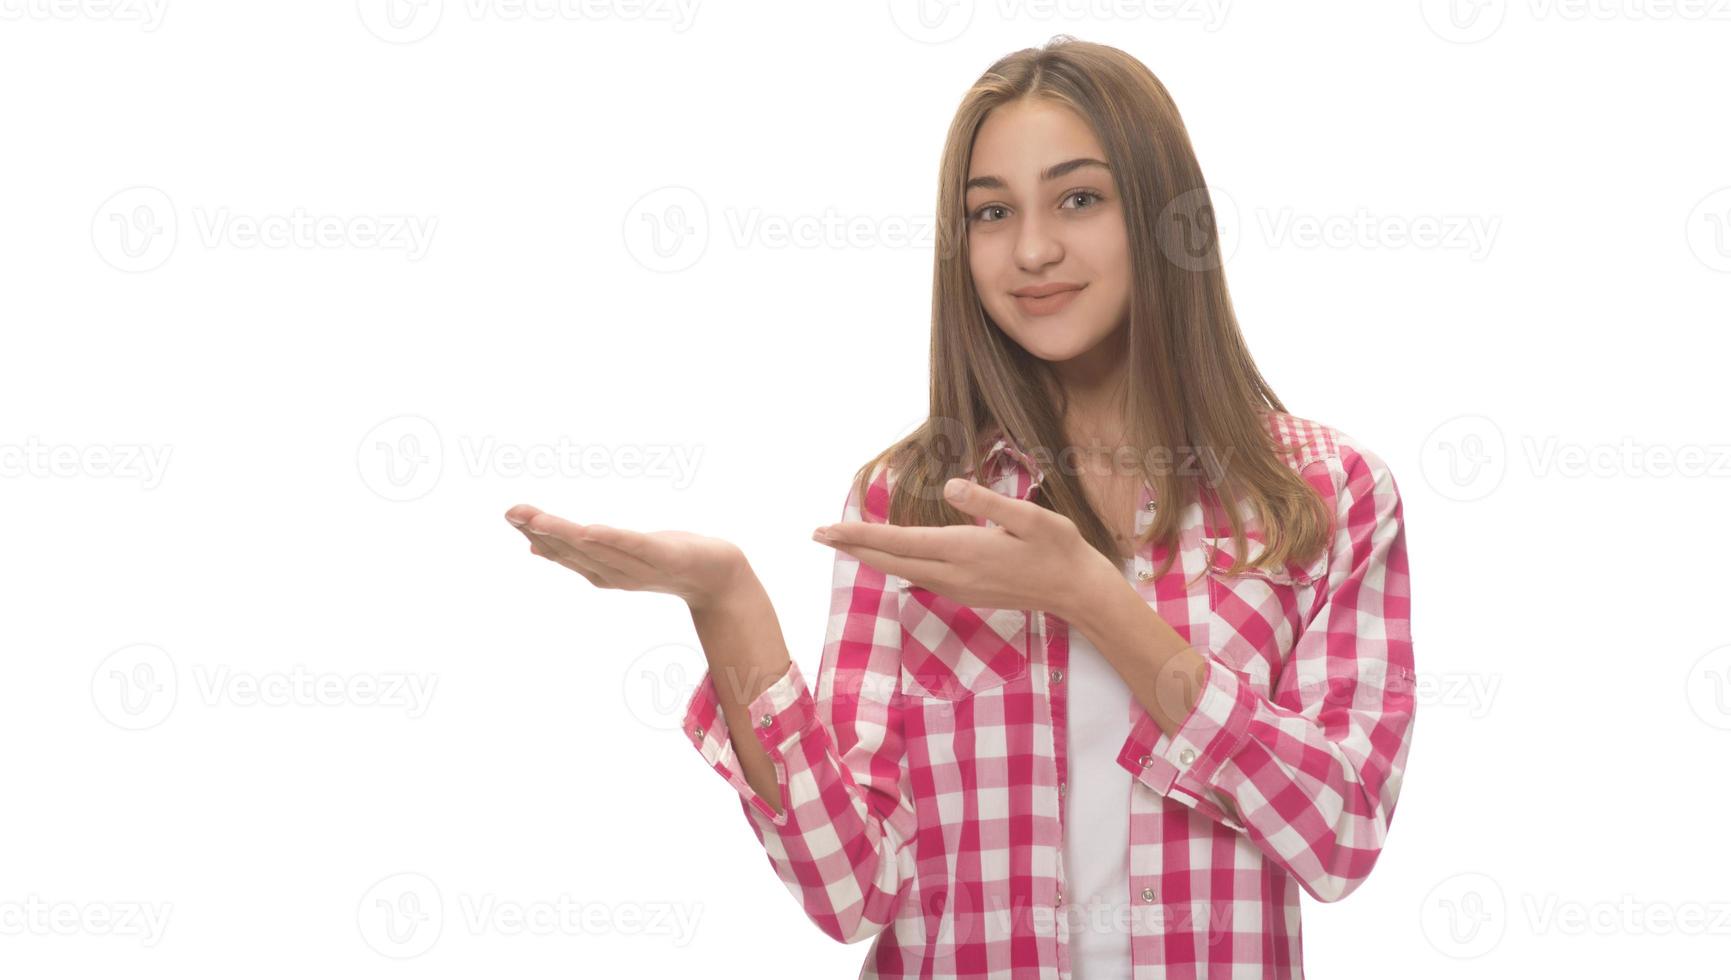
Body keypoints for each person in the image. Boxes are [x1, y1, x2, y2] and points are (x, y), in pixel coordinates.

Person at [504, 35, 1416, 980]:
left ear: (1160, 216)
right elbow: (849, 890)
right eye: (990, 212)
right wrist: (727, 604)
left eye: (1078, 198)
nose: (1031, 250)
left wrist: (1092, 600)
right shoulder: (911, 501)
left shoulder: (1323, 493)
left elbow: (1340, 834)